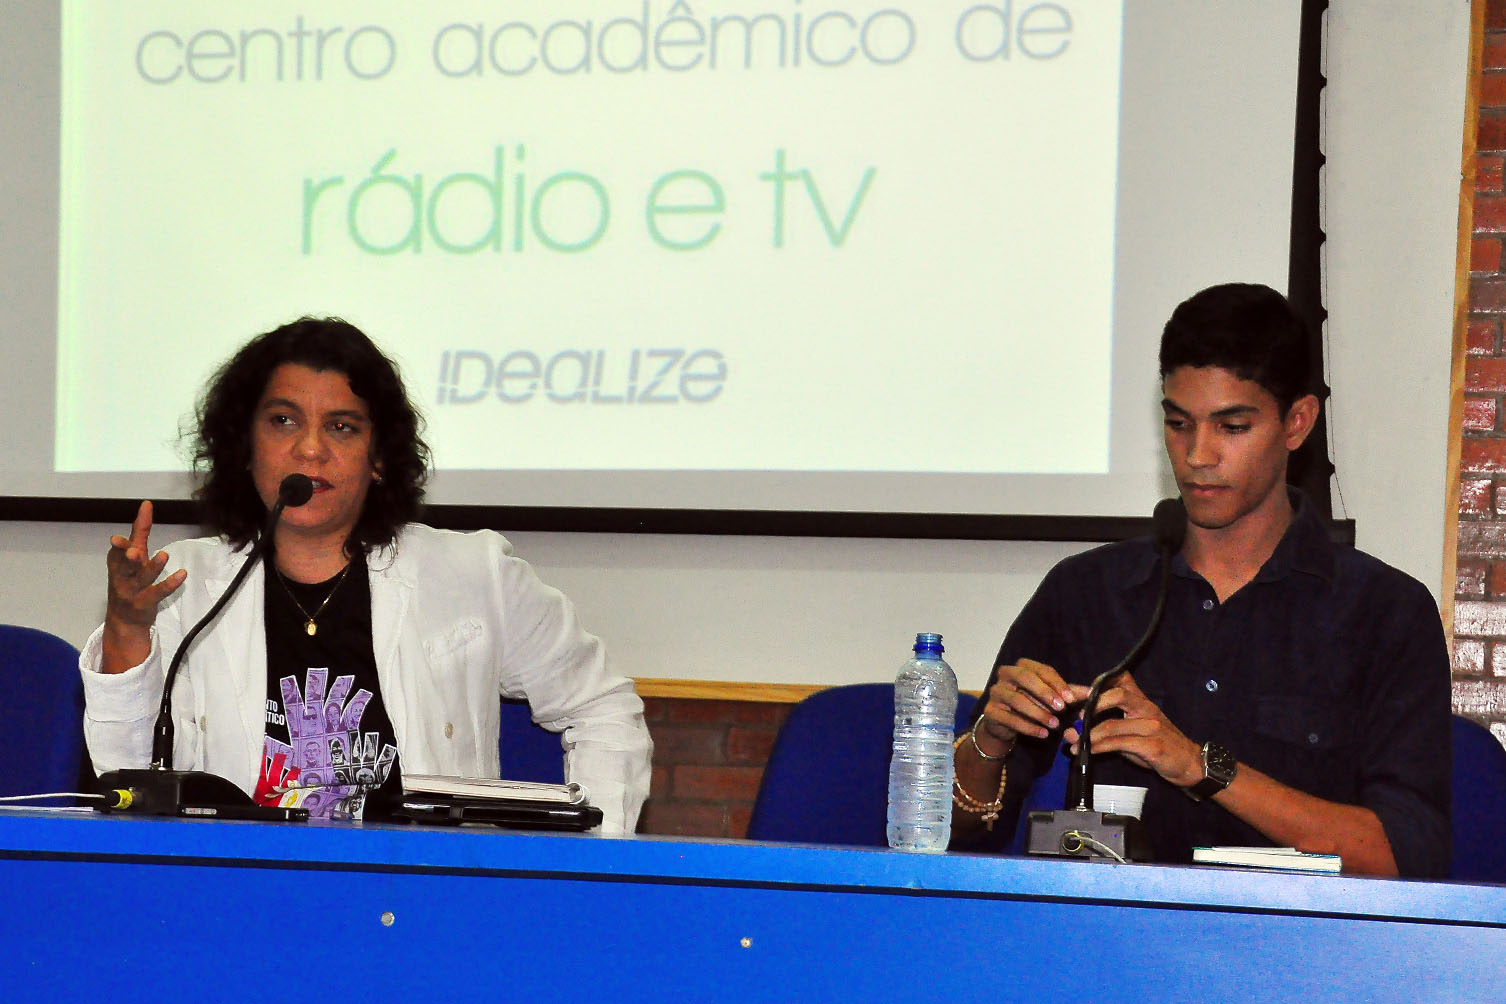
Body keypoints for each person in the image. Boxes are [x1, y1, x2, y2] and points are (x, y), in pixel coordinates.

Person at [950, 283, 1451, 877]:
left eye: (1231, 427)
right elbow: (958, 838)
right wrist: (990, 741)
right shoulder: (1086, 593)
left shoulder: (1385, 611)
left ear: (1297, 422)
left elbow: (1404, 858)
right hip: (1111, 947)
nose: (1197, 455)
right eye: (1180, 424)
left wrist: (1200, 767)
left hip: (1303, 953)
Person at [80, 317, 652, 832]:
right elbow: (125, 783)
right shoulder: (180, 582)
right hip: (241, 900)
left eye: (343, 427)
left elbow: (602, 706)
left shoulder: (473, 574)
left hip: (426, 904)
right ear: (245, 446)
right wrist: (127, 630)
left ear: (379, 458)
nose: (311, 450)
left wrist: (592, 860)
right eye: (284, 421)